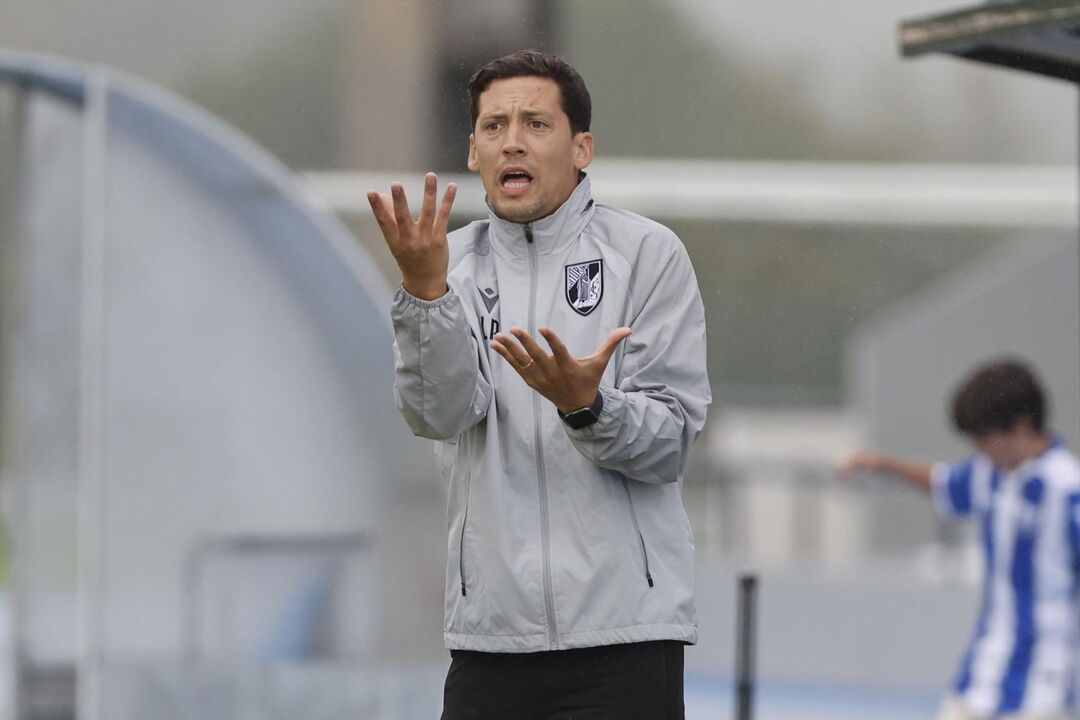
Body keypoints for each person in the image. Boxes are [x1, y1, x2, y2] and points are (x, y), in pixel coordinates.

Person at [366, 49, 710, 720]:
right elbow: (435, 413)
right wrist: (424, 292)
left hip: (625, 638)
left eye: (535, 123)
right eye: (493, 127)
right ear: (472, 151)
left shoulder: (646, 254)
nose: (512, 141)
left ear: (582, 148)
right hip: (491, 639)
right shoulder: (447, 266)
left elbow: (670, 442)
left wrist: (588, 406)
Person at [839, 359, 1080, 720]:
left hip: (1044, 682)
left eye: (984, 437)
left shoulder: (1067, 489)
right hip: (981, 672)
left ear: (1021, 426)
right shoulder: (987, 475)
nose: (977, 447)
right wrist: (883, 463)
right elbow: (941, 482)